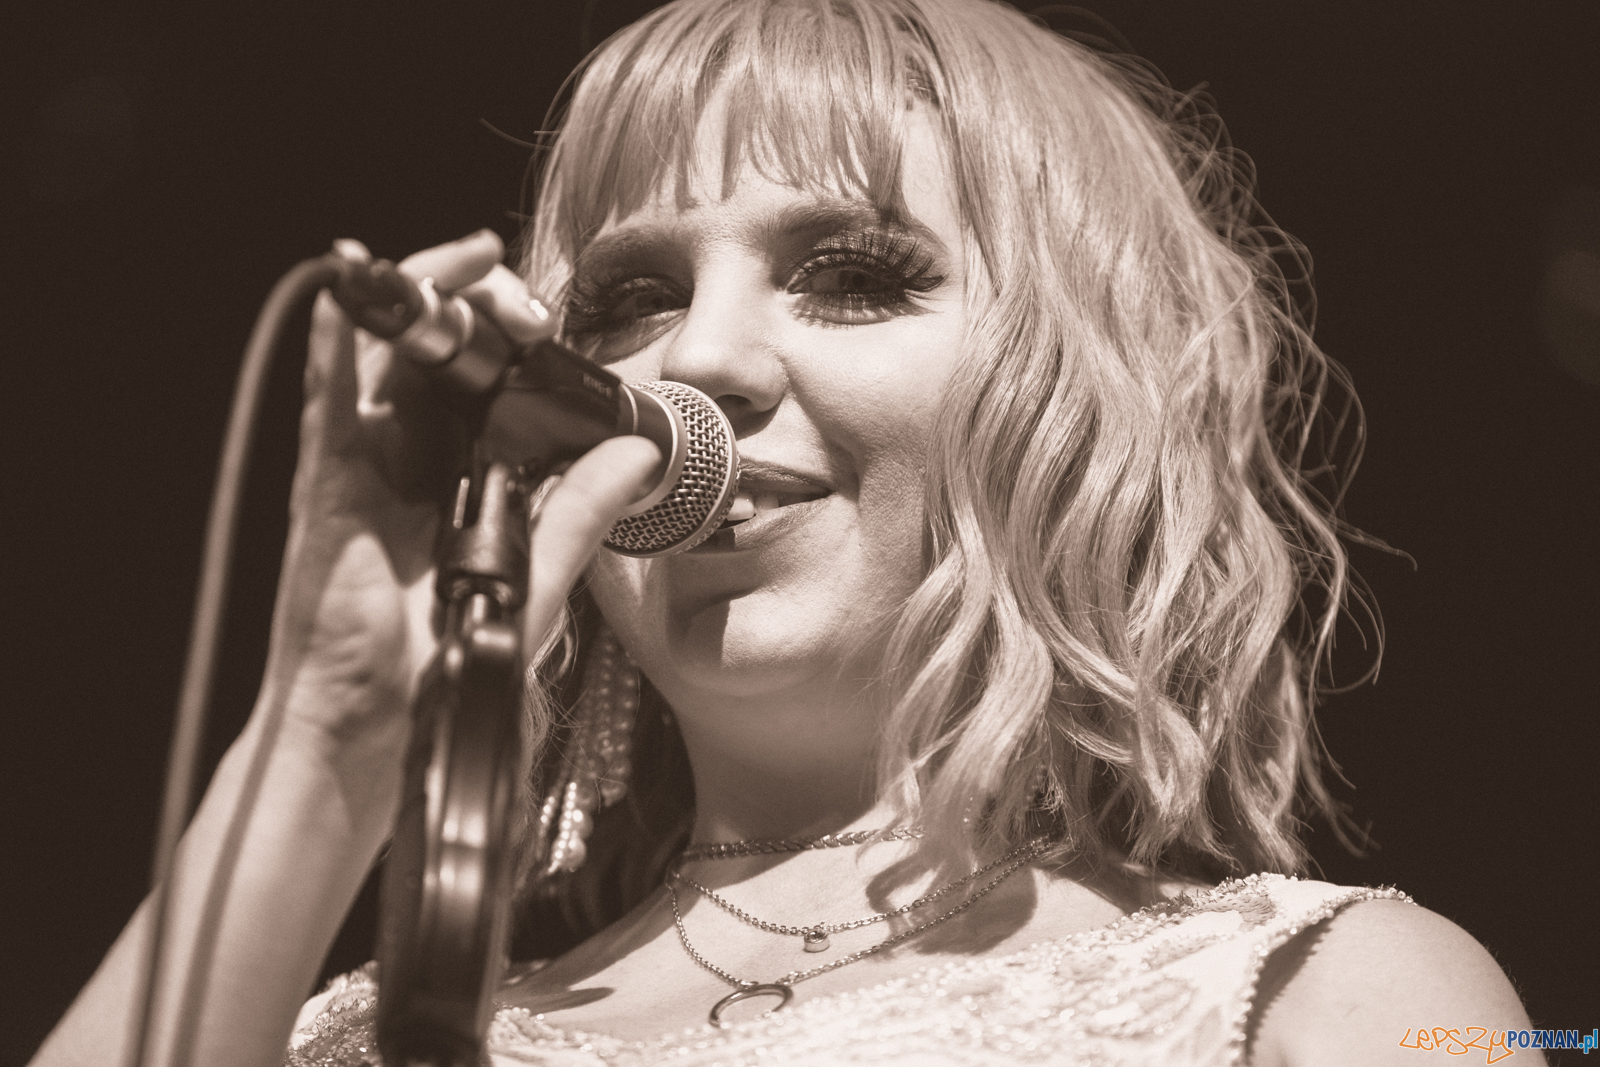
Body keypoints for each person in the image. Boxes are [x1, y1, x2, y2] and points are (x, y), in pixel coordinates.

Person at [31, 1, 1538, 1064]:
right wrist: (331, 733)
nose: (698, 360)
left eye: (854, 276)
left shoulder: (1353, 995)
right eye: (630, 300)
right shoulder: (337, 1040)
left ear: (1072, 400)